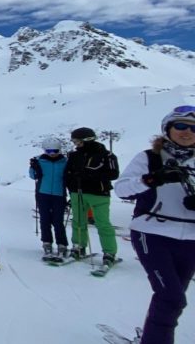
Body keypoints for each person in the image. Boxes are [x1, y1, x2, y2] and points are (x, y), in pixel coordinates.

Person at [114, 106, 195, 344]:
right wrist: (151, 179)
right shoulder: (149, 158)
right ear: (167, 129)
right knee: (171, 297)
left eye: (193, 128)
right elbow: (122, 189)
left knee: (172, 297)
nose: (187, 132)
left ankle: (152, 337)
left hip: (190, 238)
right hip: (152, 233)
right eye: (180, 126)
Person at [64, 127, 119, 265]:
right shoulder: (74, 155)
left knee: (102, 223)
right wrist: (71, 185)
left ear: (88, 140)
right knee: (78, 221)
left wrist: (89, 175)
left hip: (99, 194)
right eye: (74, 142)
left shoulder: (107, 155)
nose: (76, 145)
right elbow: (68, 172)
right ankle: (78, 246)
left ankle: (109, 252)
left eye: (78, 142)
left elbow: (113, 174)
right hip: (78, 193)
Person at [29, 137, 68, 258]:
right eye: (49, 151)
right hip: (43, 193)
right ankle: (47, 242)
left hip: (59, 194)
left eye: (55, 151)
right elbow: (32, 176)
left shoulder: (65, 162)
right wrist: (34, 167)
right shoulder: (39, 161)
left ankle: (62, 244)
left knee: (58, 220)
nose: (52, 154)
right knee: (45, 219)